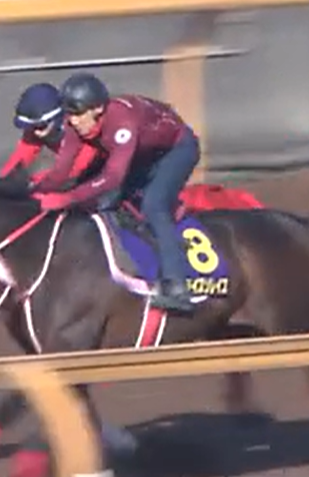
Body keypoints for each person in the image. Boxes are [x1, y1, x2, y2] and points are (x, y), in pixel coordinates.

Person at [30, 72, 202, 313]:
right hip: (145, 154)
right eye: (68, 114)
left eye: (77, 113)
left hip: (178, 150)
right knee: (108, 202)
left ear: (98, 109)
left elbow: (112, 177)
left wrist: (67, 198)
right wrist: (33, 192)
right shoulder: (74, 125)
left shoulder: (122, 122)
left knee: (154, 205)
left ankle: (178, 287)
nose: (72, 121)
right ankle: (146, 259)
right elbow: (60, 173)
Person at [0, 83, 98, 183]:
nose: (36, 132)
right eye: (31, 127)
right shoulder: (40, 128)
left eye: (41, 127)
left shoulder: (79, 129)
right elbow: (23, 152)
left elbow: (74, 169)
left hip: (98, 162)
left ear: (57, 119)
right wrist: (5, 179)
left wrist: (32, 181)